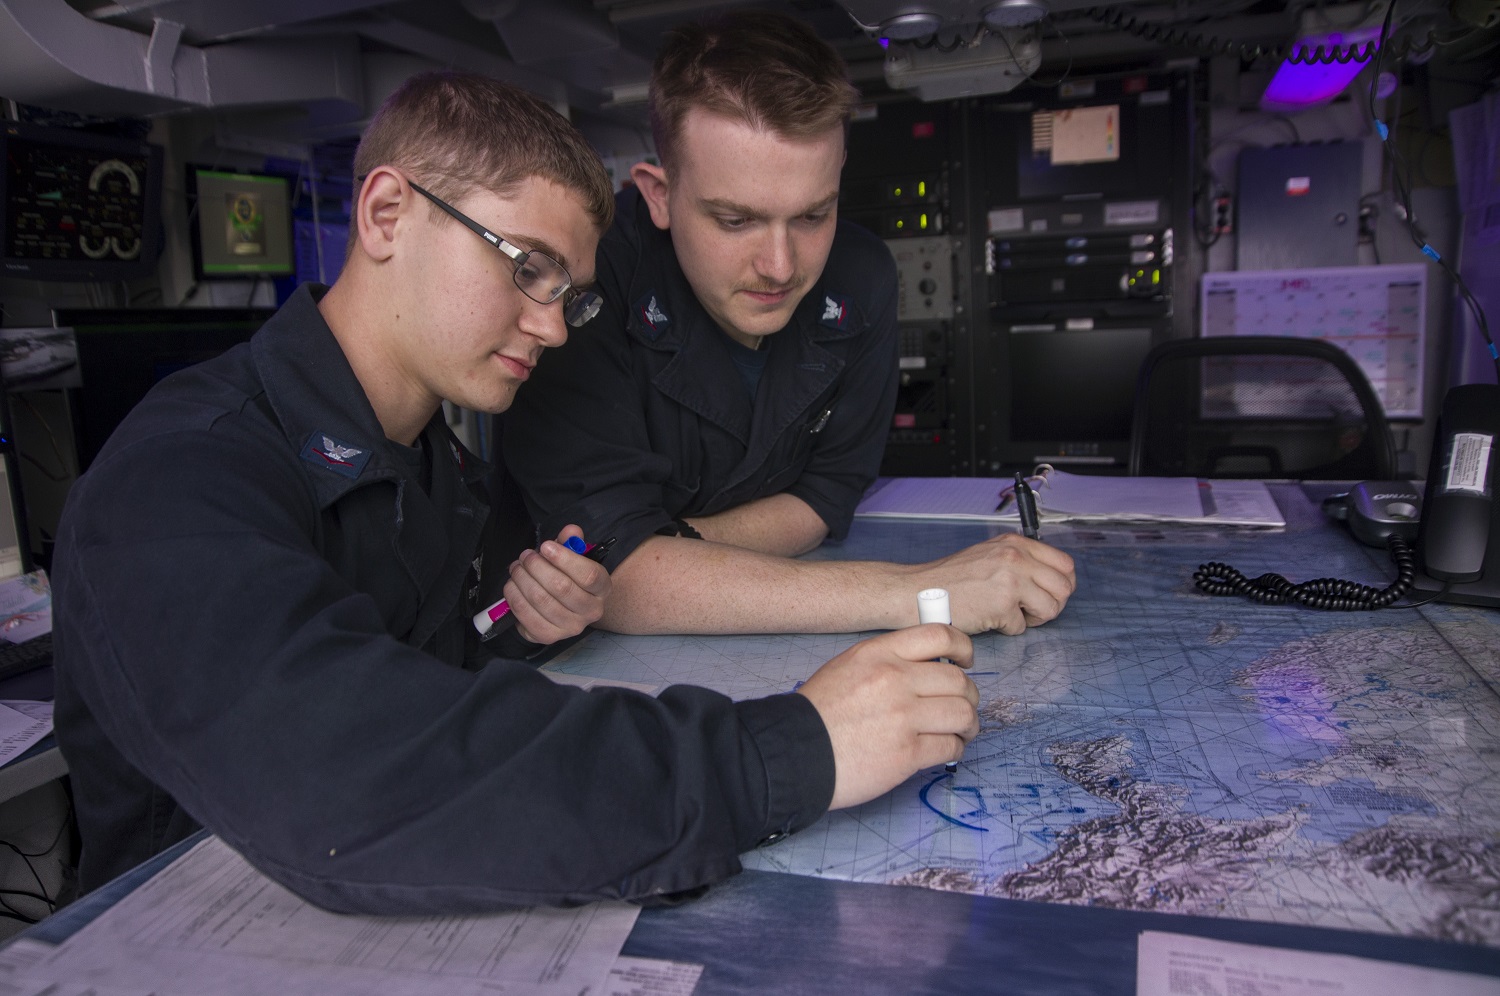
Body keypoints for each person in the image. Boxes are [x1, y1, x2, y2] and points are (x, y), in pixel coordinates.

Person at [51, 70, 980, 915]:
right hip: (191, 924)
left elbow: (430, 665)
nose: (554, 327)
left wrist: (516, 626)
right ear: (384, 214)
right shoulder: (179, 475)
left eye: (568, 293)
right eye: (526, 265)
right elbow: (345, 771)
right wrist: (787, 753)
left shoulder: (431, 460)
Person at [498, 10, 1076, 637]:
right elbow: (611, 575)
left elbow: (826, 494)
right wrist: (924, 592)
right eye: (735, 220)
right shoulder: (586, 285)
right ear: (659, 194)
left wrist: (671, 557)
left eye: (811, 216)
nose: (779, 267)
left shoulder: (863, 276)